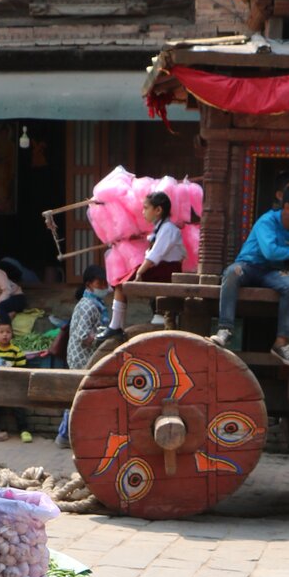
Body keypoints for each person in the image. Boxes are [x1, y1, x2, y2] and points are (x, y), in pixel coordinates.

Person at [208, 183, 289, 366]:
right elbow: (270, 252)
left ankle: (281, 343)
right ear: (287, 207)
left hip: (272, 272)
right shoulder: (267, 221)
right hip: (249, 266)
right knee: (232, 272)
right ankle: (225, 330)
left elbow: (284, 257)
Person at [97, 191, 184, 353]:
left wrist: (139, 272)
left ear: (158, 210)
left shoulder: (168, 229)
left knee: (122, 284)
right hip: (160, 269)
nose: (143, 212)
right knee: (120, 283)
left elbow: (154, 256)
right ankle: (116, 325)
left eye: (146, 208)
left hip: (166, 271)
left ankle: (115, 326)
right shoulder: (160, 229)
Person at [56, 264, 112, 448]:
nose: (104, 286)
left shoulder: (94, 303)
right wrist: (104, 339)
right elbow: (83, 336)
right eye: (100, 283)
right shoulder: (89, 306)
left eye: (106, 282)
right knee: (77, 396)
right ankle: (65, 436)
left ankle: (68, 435)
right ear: (89, 284)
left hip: (82, 356)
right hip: (82, 358)